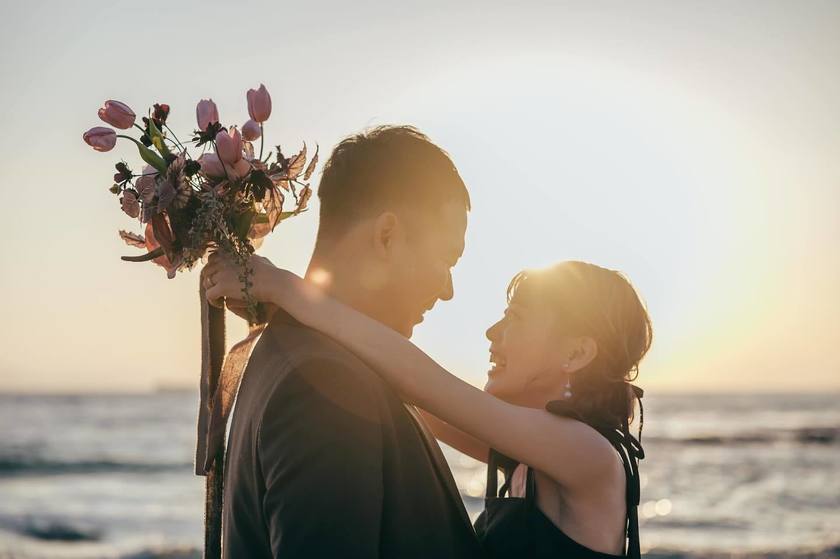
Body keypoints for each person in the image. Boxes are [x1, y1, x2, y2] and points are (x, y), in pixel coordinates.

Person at [204, 256, 652, 559]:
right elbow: (394, 380)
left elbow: (424, 381)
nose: (492, 333)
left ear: (576, 354)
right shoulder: (532, 456)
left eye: (516, 319)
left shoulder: (588, 454)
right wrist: (277, 310)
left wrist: (285, 286)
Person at [207, 125, 483, 558]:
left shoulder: (293, 353)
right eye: (446, 259)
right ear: (387, 236)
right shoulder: (326, 384)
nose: (447, 289)